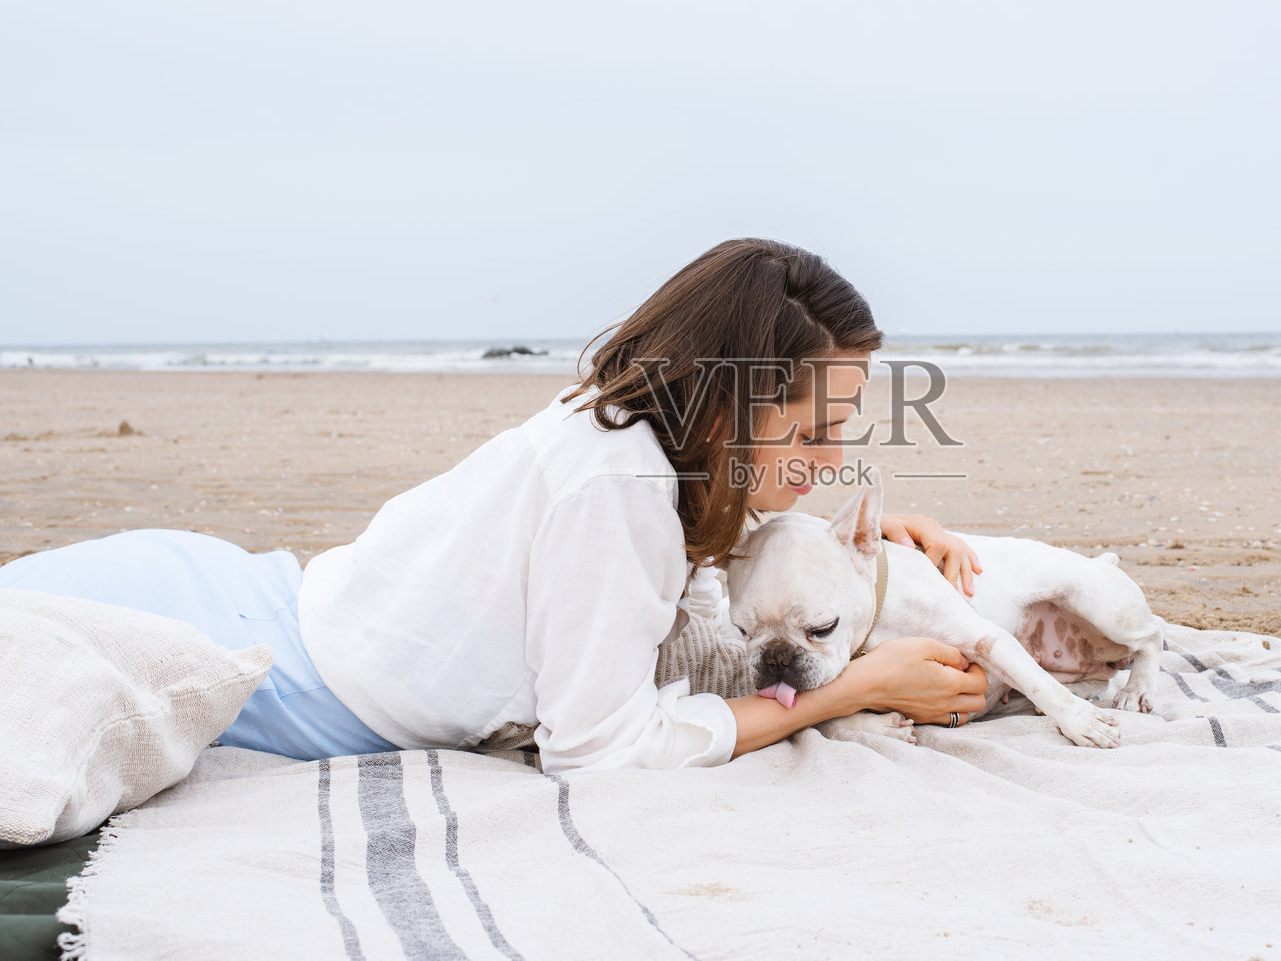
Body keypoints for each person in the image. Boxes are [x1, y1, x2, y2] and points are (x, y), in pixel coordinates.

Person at [0, 239, 988, 772]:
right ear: (725, 407)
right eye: (812, 430)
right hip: (247, 656)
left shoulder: (648, 446)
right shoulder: (620, 485)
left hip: (251, 595)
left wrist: (864, 554)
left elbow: (723, 584)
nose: (830, 457)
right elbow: (597, 751)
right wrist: (851, 690)